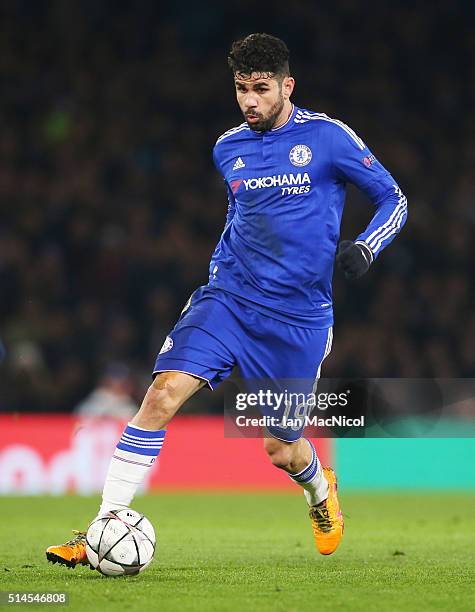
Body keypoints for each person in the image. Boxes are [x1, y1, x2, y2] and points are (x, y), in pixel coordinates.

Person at [46, 33, 407, 567]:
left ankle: (319, 491)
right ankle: (102, 527)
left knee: (280, 448)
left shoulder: (328, 138)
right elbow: (244, 219)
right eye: (241, 89)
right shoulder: (228, 147)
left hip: (298, 318)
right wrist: (223, 274)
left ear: (288, 86)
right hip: (229, 300)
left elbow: (392, 198)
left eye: (261, 89)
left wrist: (367, 247)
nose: (250, 101)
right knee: (162, 393)